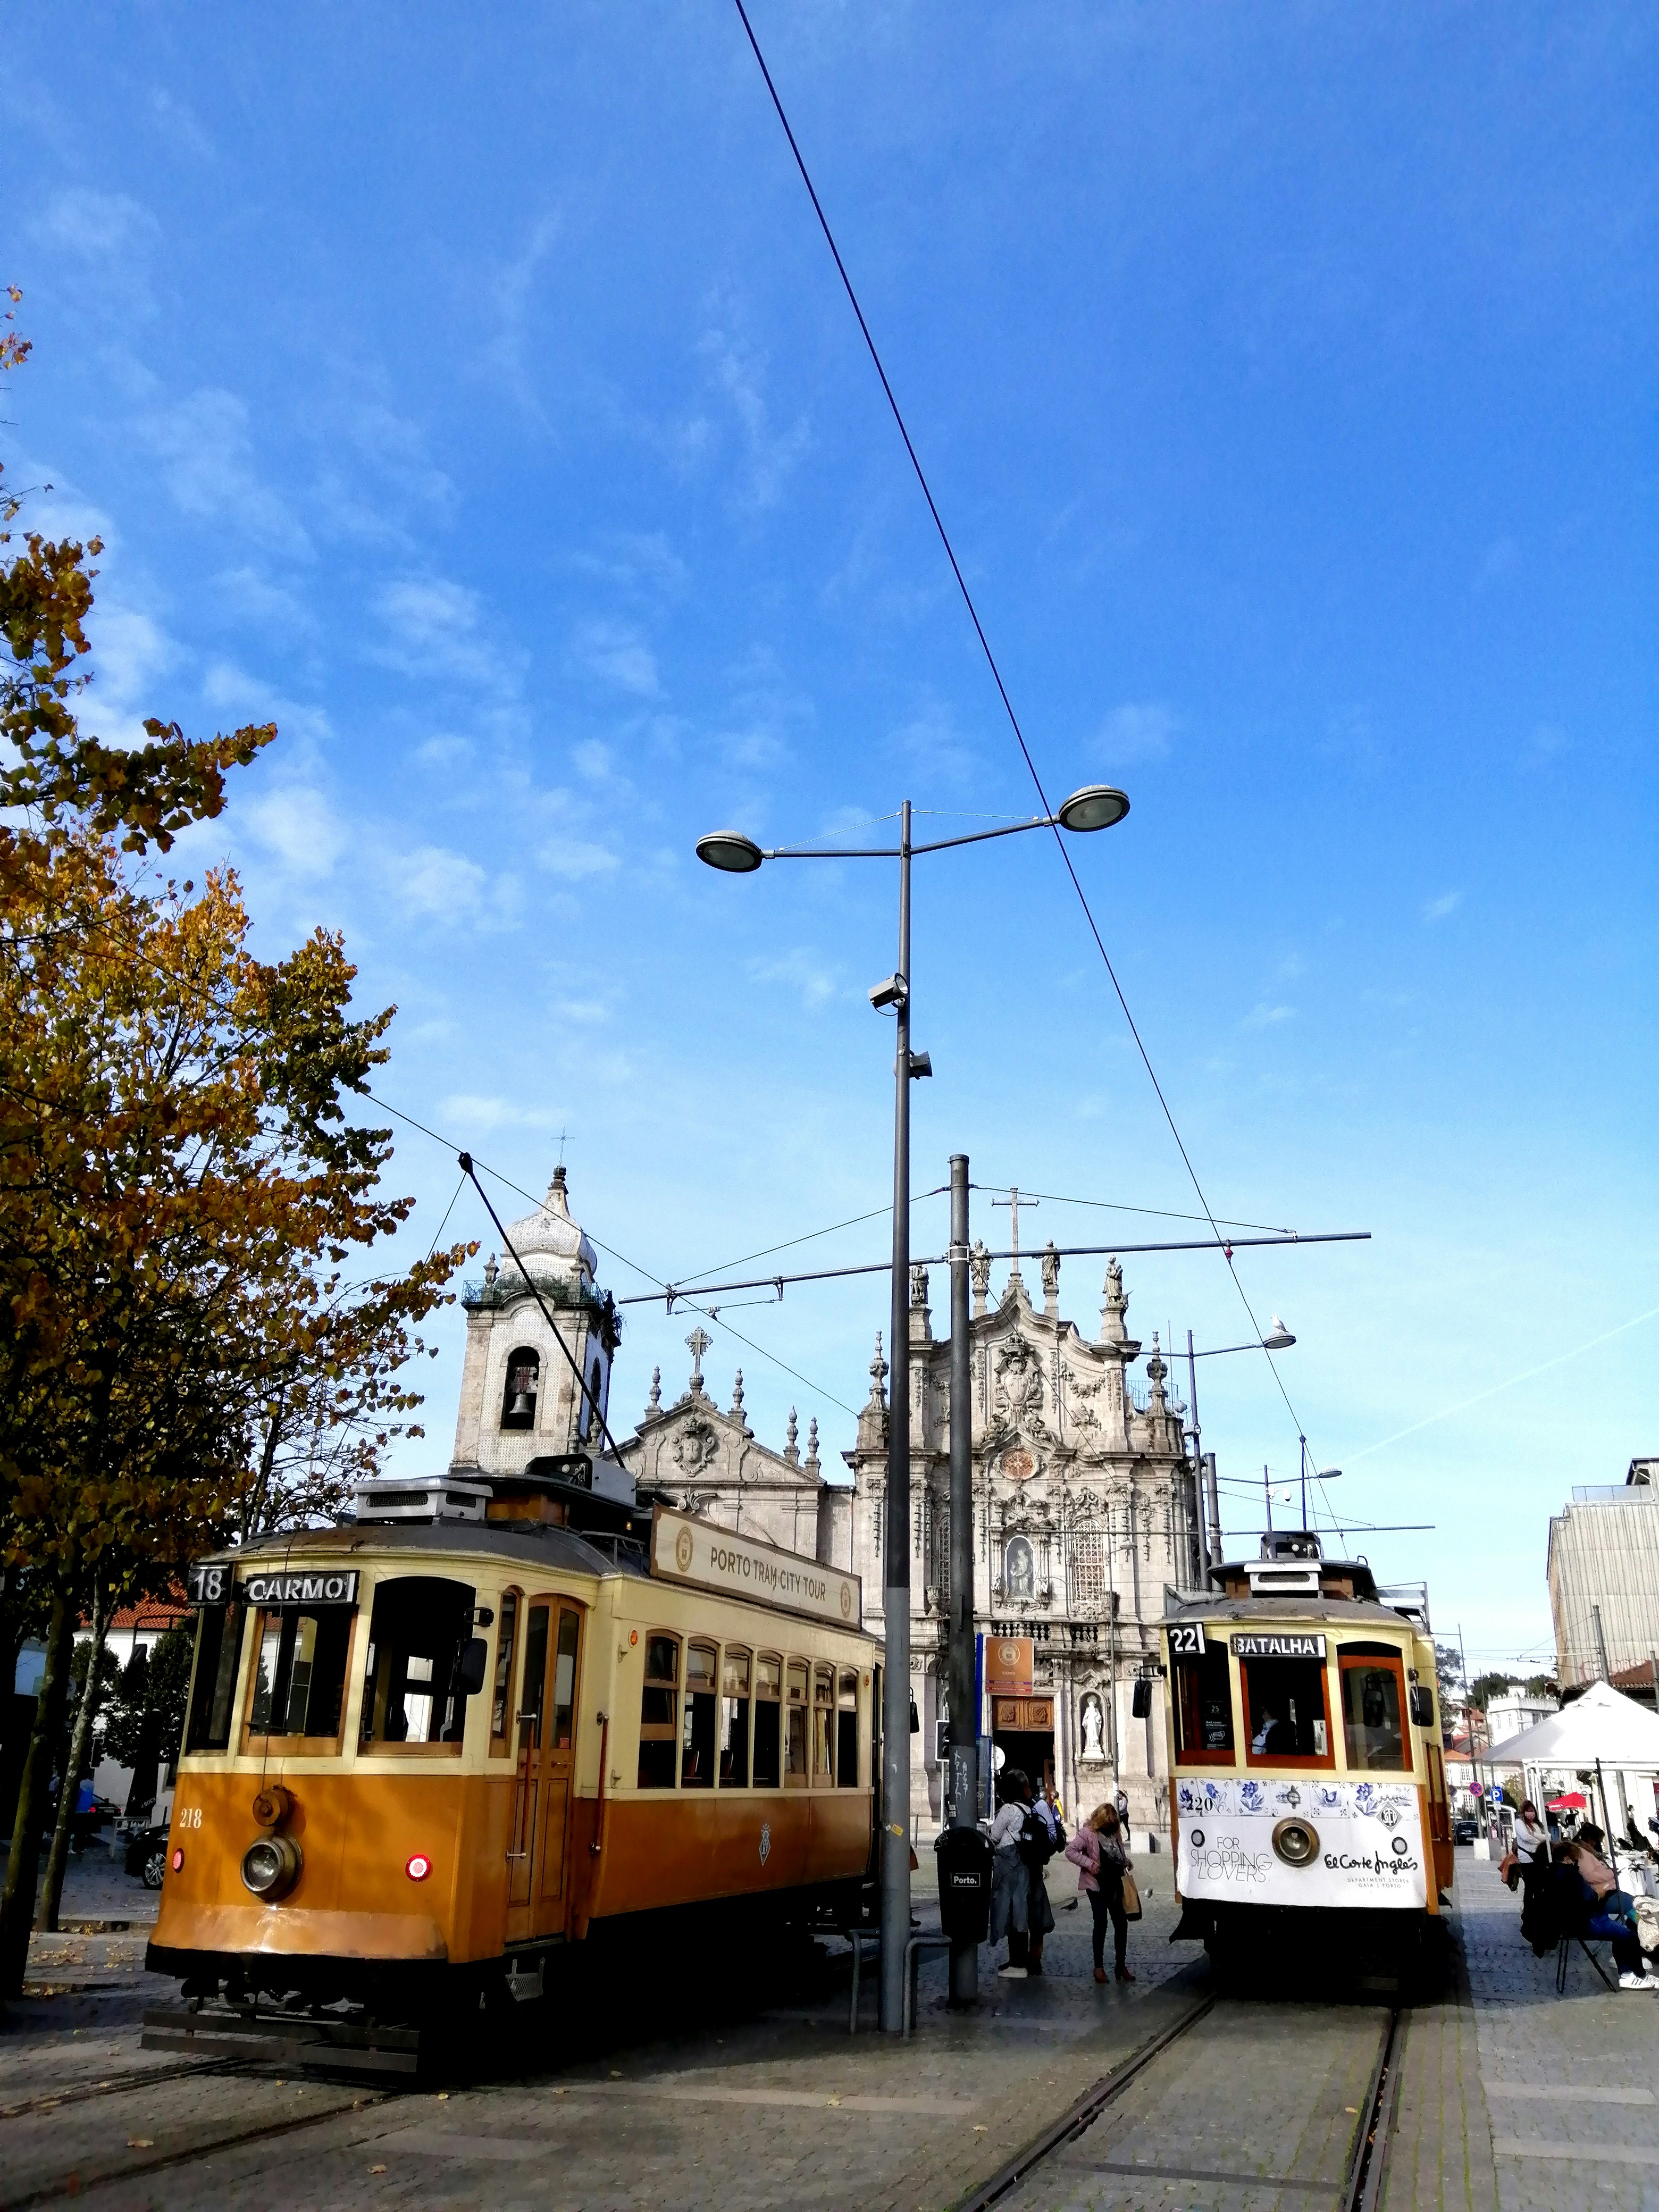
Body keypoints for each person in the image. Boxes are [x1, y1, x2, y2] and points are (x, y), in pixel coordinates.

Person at [1569, 1831, 1655, 1991]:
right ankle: (1642, 1952)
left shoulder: (1587, 1854)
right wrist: (1610, 1874)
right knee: (1630, 1913)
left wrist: (1607, 1875)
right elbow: (1592, 1878)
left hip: (1602, 1901)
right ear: (1589, 1840)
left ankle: (1636, 1963)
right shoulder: (1580, 1857)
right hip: (1598, 1906)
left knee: (1630, 1913)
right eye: (1597, 1840)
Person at [1067, 1801, 1135, 1984]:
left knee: (1121, 1923)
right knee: (1101, 1922)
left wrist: (1125, 1861)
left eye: (1113, 1824)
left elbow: (1116, 1853)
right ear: (1100, 1821)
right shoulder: (1088, 1832)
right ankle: (1099, 1968)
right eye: (1108, 1823)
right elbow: (1070, 1851)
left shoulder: (1115, 1831)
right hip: (1096, 1883)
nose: (1111, 1827)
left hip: (1115, 1882)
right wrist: (1090, 1865)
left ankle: (1120, 1965)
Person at [989, 1770, 1033, 1979]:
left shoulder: (1007, 1809)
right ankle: (1020, 1960)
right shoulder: (1027, 1809)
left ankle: (1017, 1964)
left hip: (1008, 1865)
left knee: (1007, 1910)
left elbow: (994, 1836)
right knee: (1020, 1911)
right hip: (1024, 1865)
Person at [1022, 1781, 1063, 1975]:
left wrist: (1039, 1852)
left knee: (1035, 1915)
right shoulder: (1011, 1809)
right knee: (1022, 1914)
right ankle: (1021, 1959)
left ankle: (1034, 1959)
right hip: (1021, 1870)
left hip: (1034, 1869)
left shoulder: (1039, 1807)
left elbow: (1054, 1837)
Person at [1514, 1798, 1551, 1947]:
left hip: (1540, 1858)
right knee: (1530, 1886)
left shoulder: (1538, 1824)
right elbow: (1525, 1837)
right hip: (1527, 1858)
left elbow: (1548, 1836)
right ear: (1524, 1812)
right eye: (1528, 1811)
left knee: (1540, 1886)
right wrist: (1540, 1839)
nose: (1531, 1814)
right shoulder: (1519, 1823)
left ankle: (1536, 1912)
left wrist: (1539, 1838)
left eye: (1533, 1811)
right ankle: (1528, 1913)